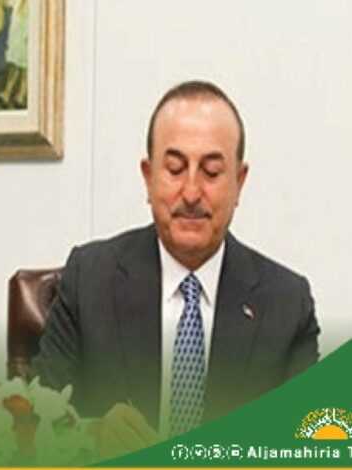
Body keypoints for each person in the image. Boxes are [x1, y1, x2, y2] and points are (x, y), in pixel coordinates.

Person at [32, 80, 319, 458]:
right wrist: (92, 434)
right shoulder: (90, 279)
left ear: (239, 182)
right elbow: (36, 420)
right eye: (174, 169)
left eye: (212, 172)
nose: (191, 192)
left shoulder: (287, 304)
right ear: (148, 176)